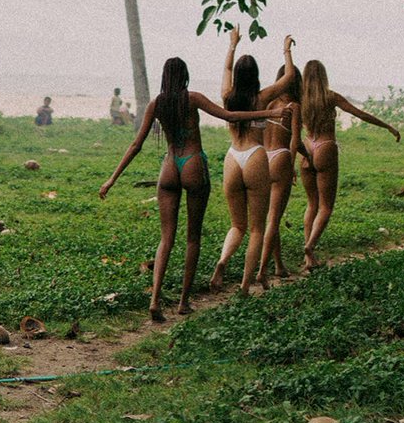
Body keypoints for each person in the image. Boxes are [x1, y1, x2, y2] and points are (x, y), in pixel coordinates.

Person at [99, 57, 260, 322]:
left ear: (164, 77)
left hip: (170, 166)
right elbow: (229, 116)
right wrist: (269, 114)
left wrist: (111, 179)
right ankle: (184, 302)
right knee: (192, 238)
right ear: (185, 75)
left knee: (166, 239)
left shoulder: (157, 104)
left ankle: (154, 300)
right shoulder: (192, 98)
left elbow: (135, 145)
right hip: (193, 163)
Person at [210, 27, 297, 295]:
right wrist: (286, 50)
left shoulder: (228, 95)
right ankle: (246, 285)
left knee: (237, 225)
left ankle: (222, 261)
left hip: (233, 157)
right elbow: (290, 78)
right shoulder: (261, 97)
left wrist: (232, 45)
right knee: (257, 228)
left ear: (238, 76)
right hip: (255, 156)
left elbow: (226, 70)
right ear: (256, 76)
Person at [299, 59, 400, 271]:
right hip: (326, 147)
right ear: (324, 76)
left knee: (312, 204)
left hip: (307, 147)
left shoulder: (301, 99)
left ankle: (309, 258)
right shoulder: (330, 97)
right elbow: (360, 114)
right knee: (326, 206)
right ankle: (310, 246)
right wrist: (387, 126)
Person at [257, 51, 302, 282]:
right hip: (282, 156)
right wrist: (293, 163)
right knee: (274, 219)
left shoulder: (268, 102)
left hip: (264, 157)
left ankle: (278, 264)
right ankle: (262, 271)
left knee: (268, 216)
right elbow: (295, 139)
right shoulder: (294, 106)